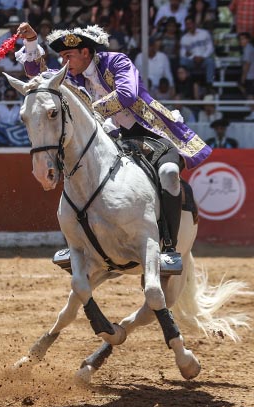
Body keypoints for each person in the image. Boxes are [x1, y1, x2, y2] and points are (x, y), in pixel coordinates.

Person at [15, 22, 212, 266]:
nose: (64, 63)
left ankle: (169, 248)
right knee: (82, 172)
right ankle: (75, 244)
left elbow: (128, 94)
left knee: (169, 173)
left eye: (68, 56)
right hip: (113, 139)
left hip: (151, 133)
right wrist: (32, 41)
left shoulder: (117, 61)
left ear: (85, 52)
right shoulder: (71, 77)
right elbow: (39, 76)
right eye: (62, 57)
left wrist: (90, 111)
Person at [180, 15, 216, 86]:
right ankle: (186, 83)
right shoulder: (184, 38)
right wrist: (193, 57)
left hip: (204, 60)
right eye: (187, 24)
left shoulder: (204, 33)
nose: (189, 26)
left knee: (210, 62)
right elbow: (183, 53)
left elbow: (210, 48)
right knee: (183, 61)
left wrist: (202, 57)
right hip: (192, 61)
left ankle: (209, 84)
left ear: (194, 23)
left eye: (190, 23)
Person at [238, 32, 254, 120]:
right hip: (250, 75)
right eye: (240, 39)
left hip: (250, 75)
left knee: (250, 94)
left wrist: (243, 78)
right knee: (248, 93)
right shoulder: (248, 48)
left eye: (243, 39)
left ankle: (253, 112)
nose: (241, 41)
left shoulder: (248, 49)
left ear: (248, 40)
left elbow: (247, 64)